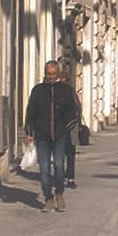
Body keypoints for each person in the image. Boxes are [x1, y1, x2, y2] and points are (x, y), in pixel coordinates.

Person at [24, 60, 81, 211]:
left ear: (58, 74)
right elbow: (30, 112)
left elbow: (74, 111)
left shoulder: (66, 90)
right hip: (42, 135)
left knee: (58, 165)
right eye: (48, 74)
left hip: (60, 135)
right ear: (45, 73)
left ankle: (59, 193)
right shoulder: (38, 90)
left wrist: (67, 127)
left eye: (53, 74)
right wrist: (29, 133)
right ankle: (48, 197)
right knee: (44, 168)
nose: (51, 77)